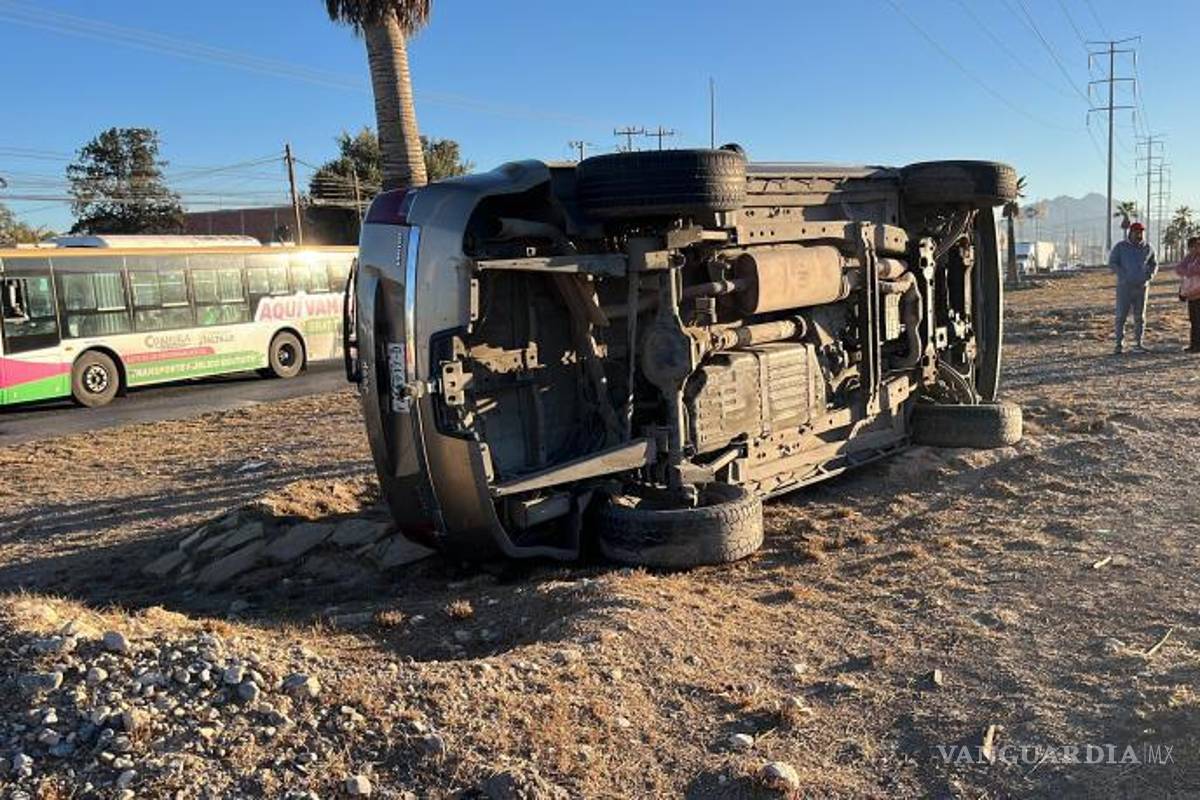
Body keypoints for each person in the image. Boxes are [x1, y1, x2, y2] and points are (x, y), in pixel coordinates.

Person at [1108, 221, 1158, 354]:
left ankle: (1138, 344)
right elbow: (1112, 262)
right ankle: (1119, 344)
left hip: (1141, 287)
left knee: (1140, 317)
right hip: (1125, 287)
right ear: (1131, 232)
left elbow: (1154, 263)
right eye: (1136, 232)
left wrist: (1149, 276)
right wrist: (1122, 275)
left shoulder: (1148, 247)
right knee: (1121, 317)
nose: (1139, 235)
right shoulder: (1120, 247)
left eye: (1141, 232)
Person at [1176, 235, 1200, 353]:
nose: (1195, 249)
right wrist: (1189, 271)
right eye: (1192, 247)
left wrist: (1188, 271)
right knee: (1193, 320)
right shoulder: (1189, 258)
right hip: (1191, 294)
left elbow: (1196, 270)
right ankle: (1194, 344)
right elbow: (1179, 269)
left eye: (1197, 246)